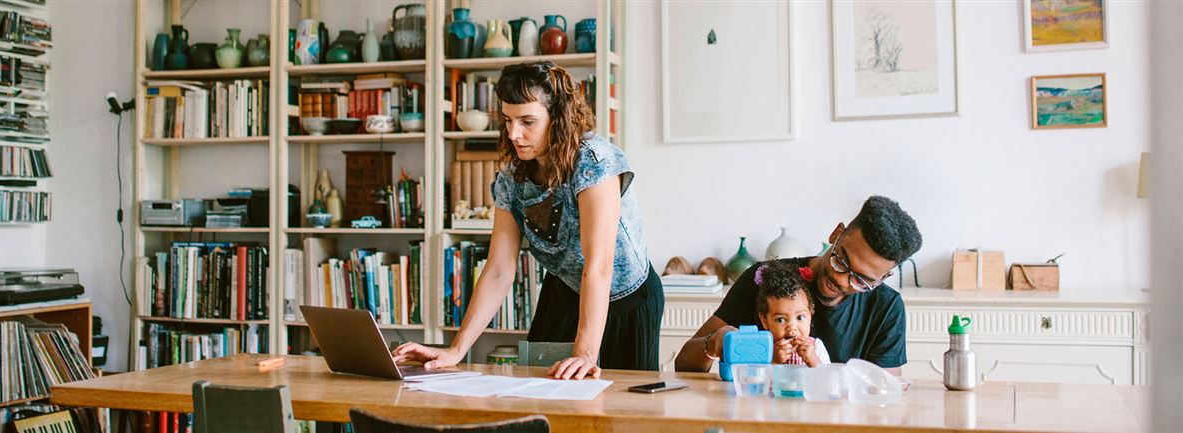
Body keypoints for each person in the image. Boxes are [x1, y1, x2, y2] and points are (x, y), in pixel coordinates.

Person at [392, 61, 663, 380]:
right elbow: (498, 270)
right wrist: (456, 350)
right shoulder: (511, 179)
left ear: (558, 118)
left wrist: (584, 354)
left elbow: (599, 265)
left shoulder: (595, 162)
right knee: (547, 397)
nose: (513, 133)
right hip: (564, 292)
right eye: (507, 120)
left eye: (527, 121)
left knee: (618, 411)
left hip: (627, 298)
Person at [675, 196, 922, 375]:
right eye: (841, 261)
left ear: (883, 278)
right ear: (836, 234)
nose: (841, 279)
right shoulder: (764, 279)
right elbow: (684, 365)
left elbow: (883, 396)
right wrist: (714, 343)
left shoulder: (886, 307)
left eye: (861, 280)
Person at [753, 262, 830, 367]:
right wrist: (774, 361)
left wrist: (813, 360)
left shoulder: (816, 347)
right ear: (765, 321)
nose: (792, 327)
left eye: (800, 317)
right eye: (780, 320)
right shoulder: (763, 348)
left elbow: (828, 380)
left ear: (810, 315)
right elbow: (757, 380)